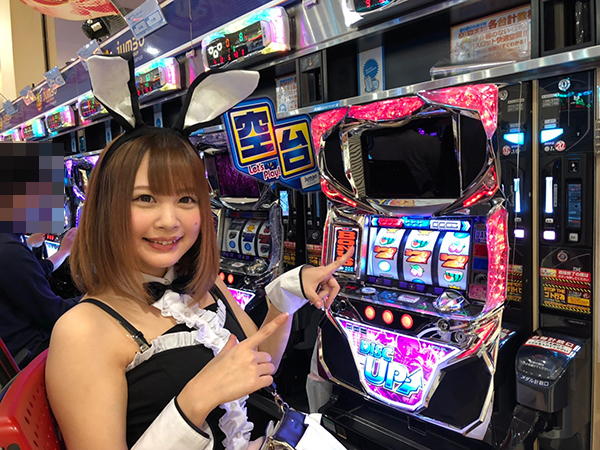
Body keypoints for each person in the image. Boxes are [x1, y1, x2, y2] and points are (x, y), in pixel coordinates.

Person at [46, 54, 350, 450]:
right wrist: (194, 400)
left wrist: (287, 292)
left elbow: (258, 364)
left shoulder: (201, 285)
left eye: (186, 199)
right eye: (146, 198)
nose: (170, 220)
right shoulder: (82, 331)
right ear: (107, 206)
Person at [0, 229, 78, 366]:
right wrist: (97, 297)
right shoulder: (10, 250)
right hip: (27, 350)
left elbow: (28, 271)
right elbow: (55, 314)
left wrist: (28, 245)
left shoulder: (10, 246)